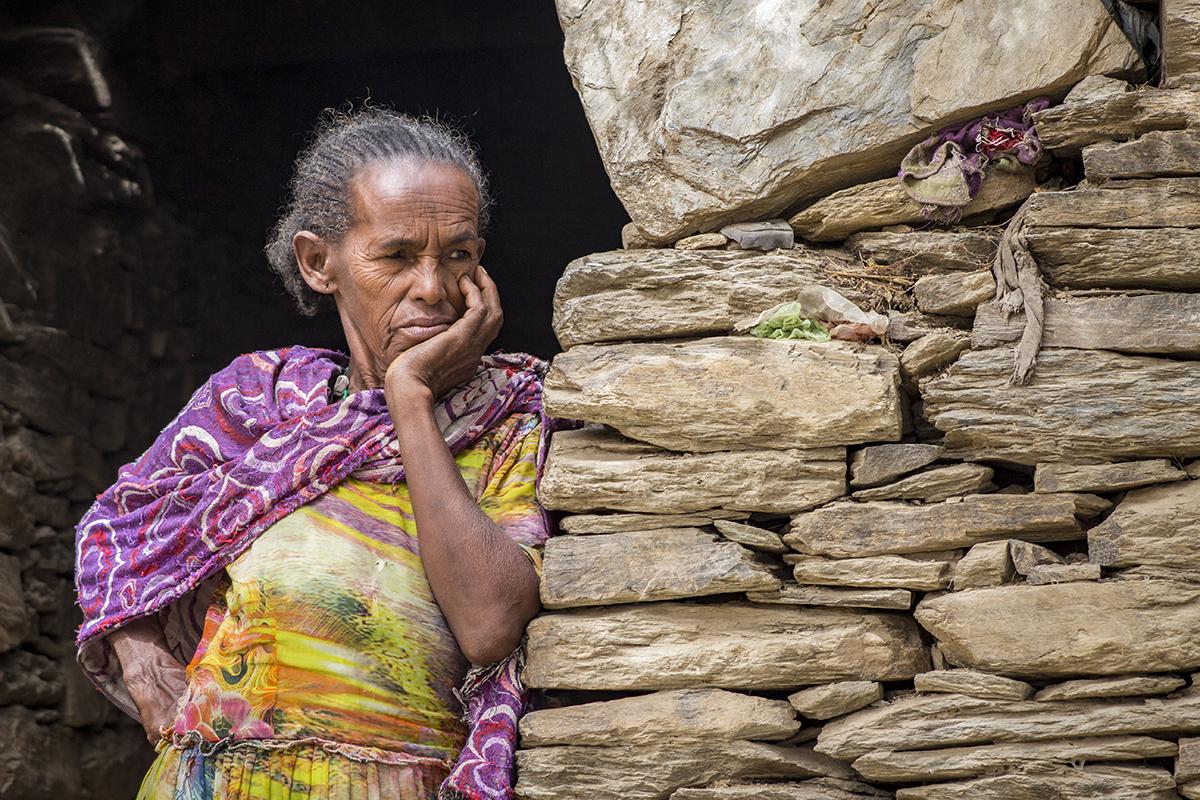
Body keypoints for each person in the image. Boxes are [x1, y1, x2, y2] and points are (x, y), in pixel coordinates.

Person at [73, 107, 552, 800]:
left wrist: (410, 396)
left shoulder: (512, 420)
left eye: (459, 254)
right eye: (395, 255)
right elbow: (120, 531)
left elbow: (488, 625)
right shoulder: (255, 404)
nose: (434, 287)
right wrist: (141, 660)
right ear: (319, 262)